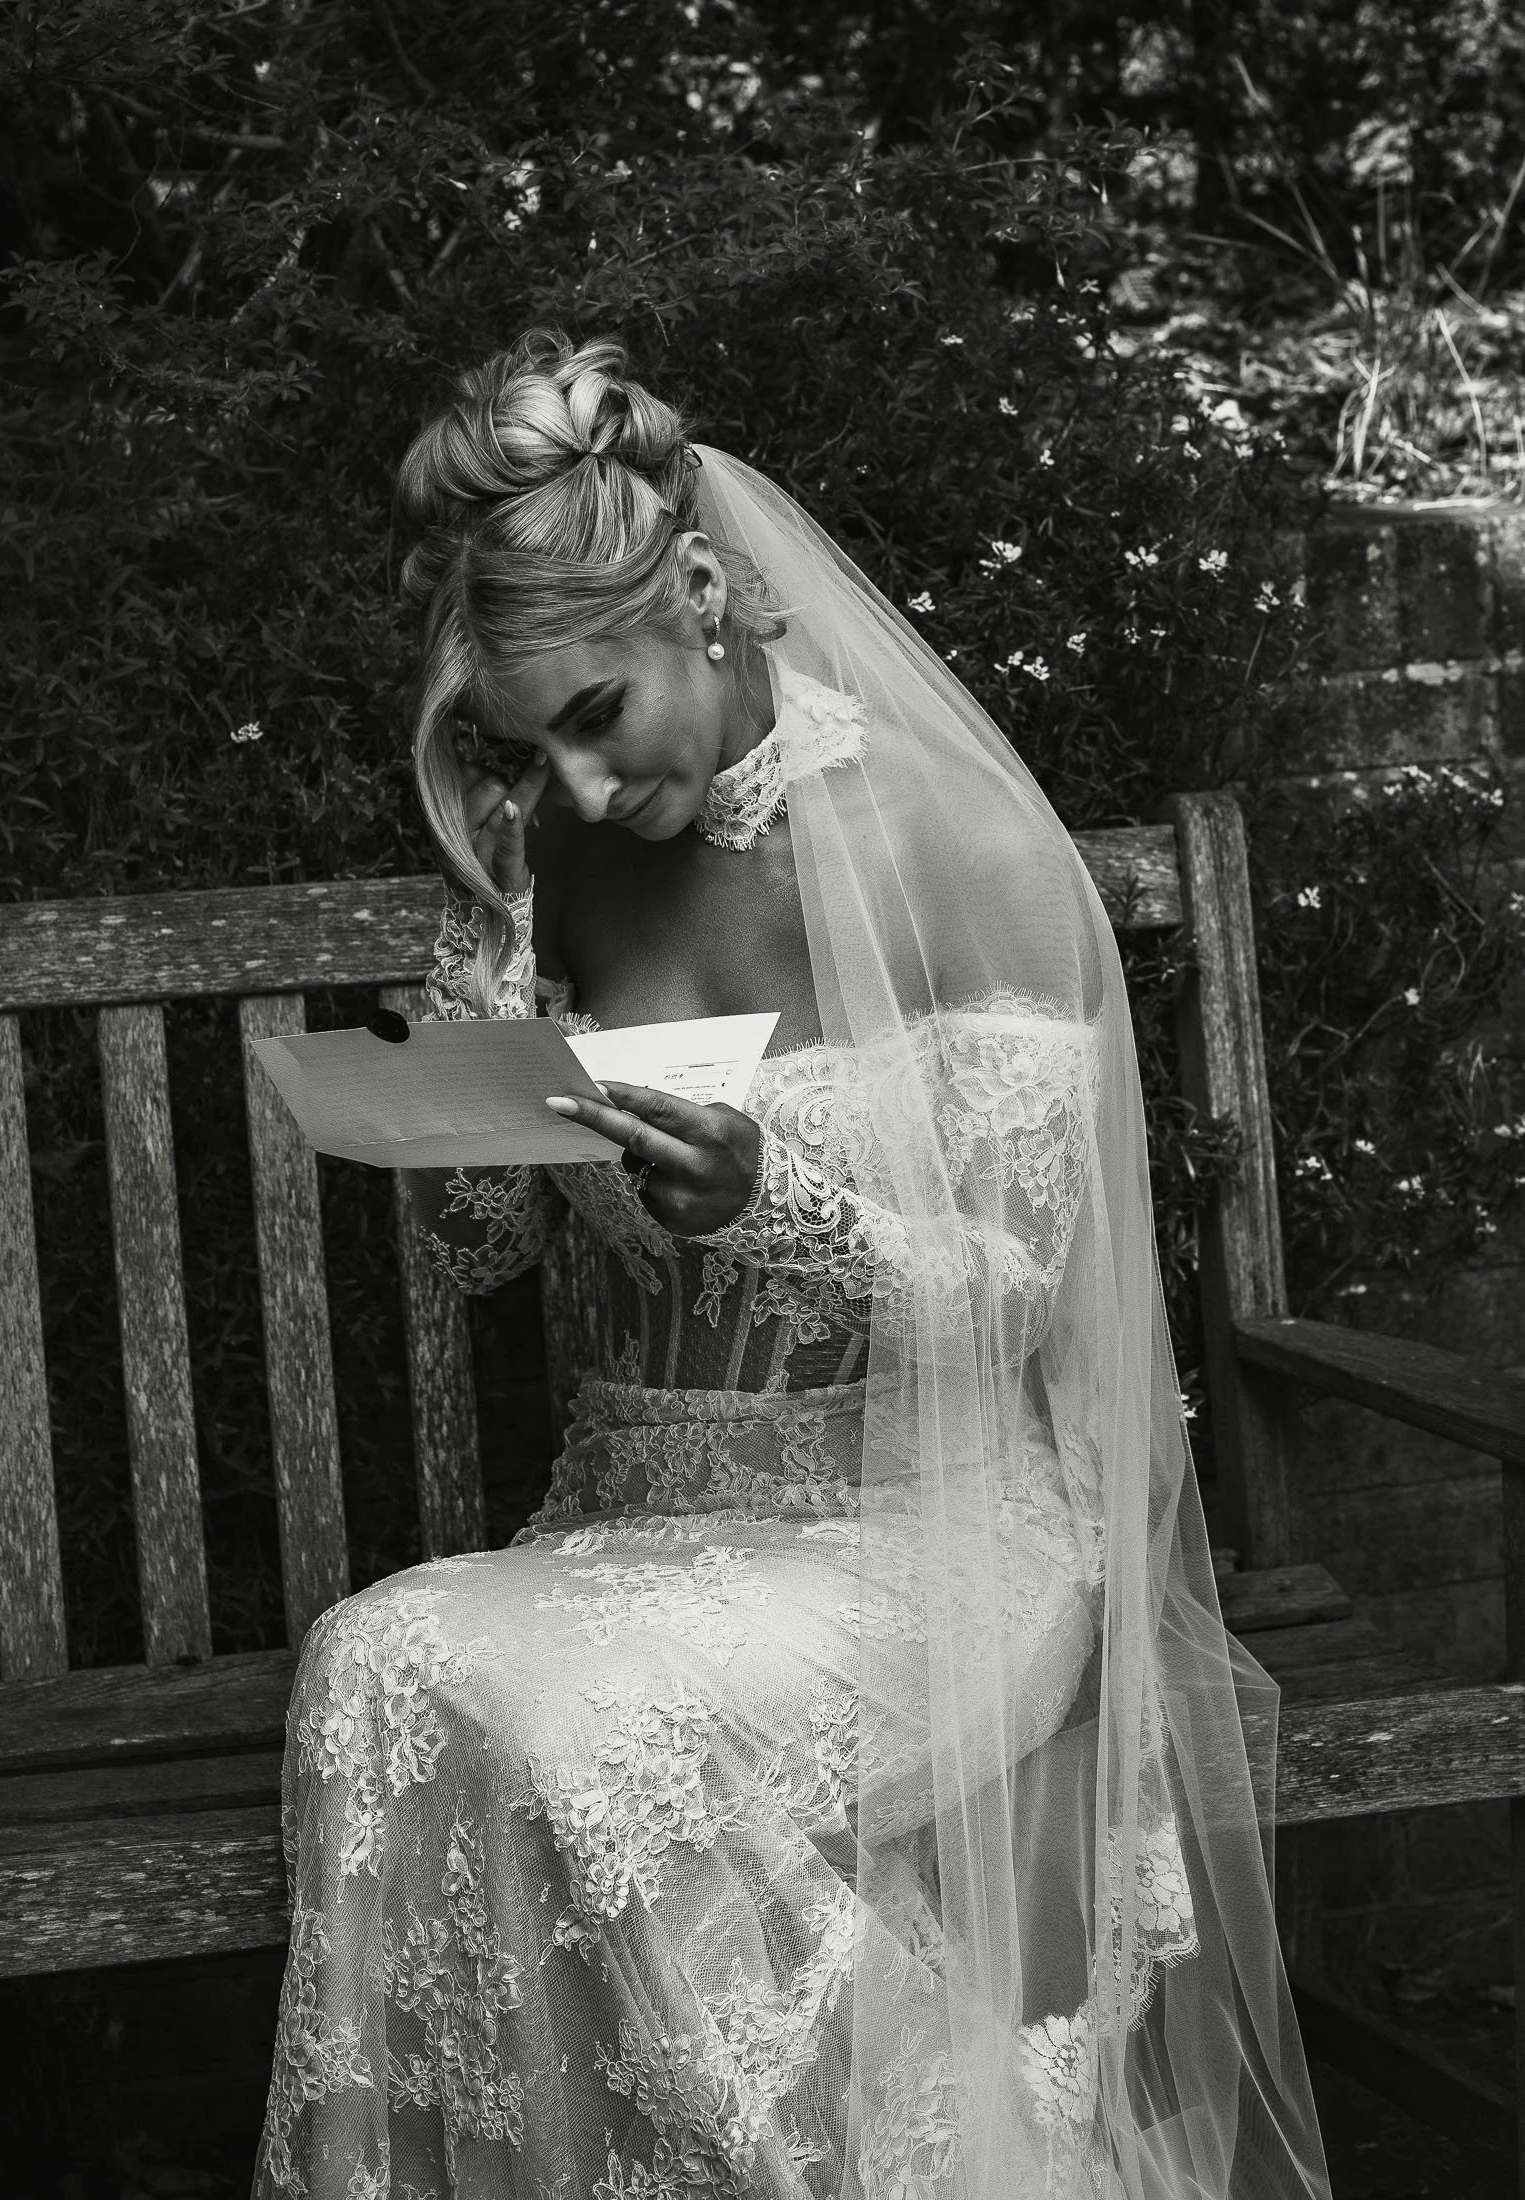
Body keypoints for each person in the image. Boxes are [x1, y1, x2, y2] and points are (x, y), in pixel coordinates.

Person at [254, 328, 1332, 2200]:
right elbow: (490, 1254)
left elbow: (1027, 1295)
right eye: (526, 749)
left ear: (701, 594)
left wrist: (774, 1205)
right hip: (634, 1530)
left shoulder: (952, 851)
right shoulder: (553, 863)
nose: (572, 785)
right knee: (377, 1658)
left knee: (551, 1723)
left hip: (926, 1537)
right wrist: (469, 1074)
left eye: (597, 714)